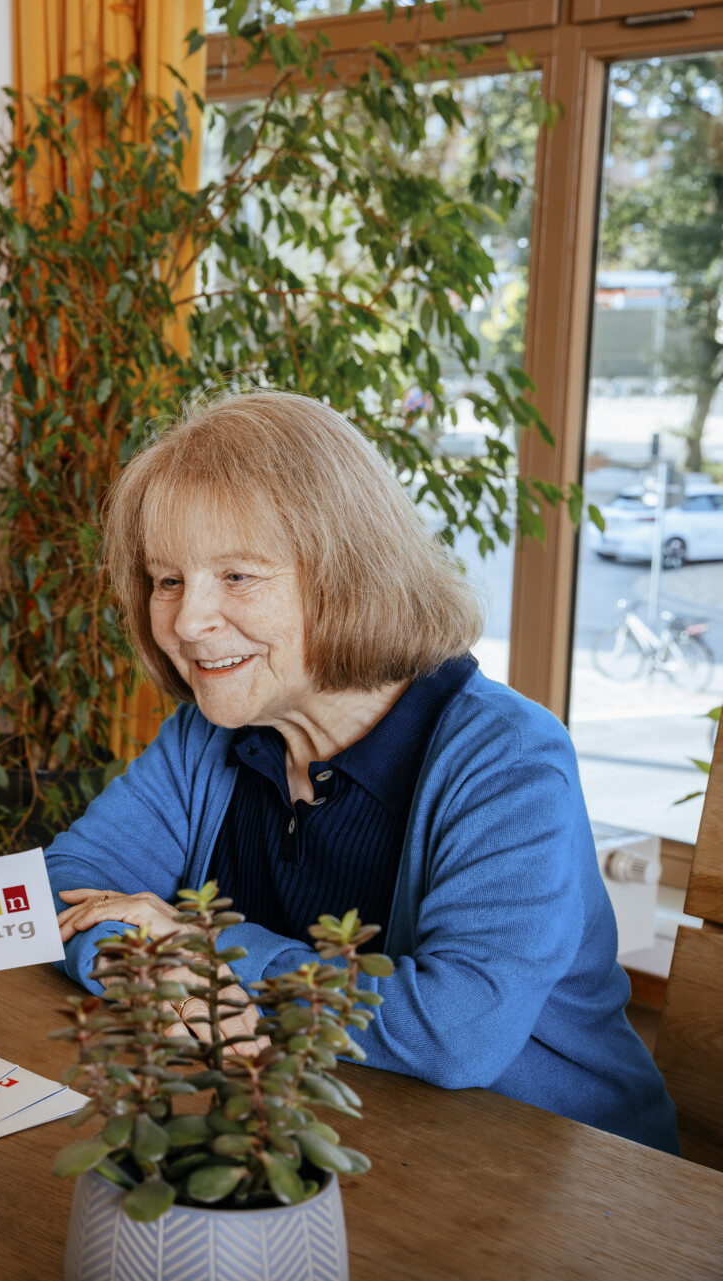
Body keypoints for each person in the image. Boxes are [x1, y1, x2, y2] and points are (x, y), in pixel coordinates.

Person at [44, 391, 679, 1153]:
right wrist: (135, 954)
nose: (184, 620)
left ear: (350, 574)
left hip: (559, 1173)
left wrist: (206, 950)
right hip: (323, 1131)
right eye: (166, 579)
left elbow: (457, 1030)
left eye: (238, 576)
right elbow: (67, 884)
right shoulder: (207, 738)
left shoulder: (508, 757)